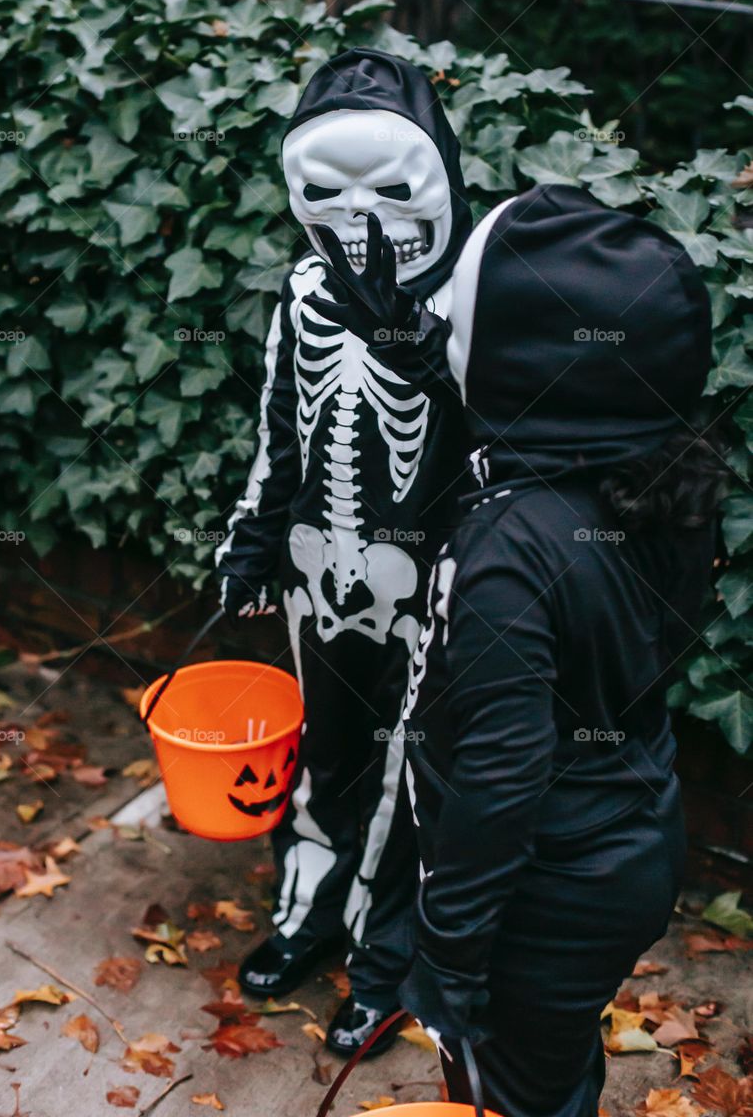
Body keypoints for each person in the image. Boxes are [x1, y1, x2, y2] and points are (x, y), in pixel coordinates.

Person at [311, 183, 720, 1114]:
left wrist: (445, 959)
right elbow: (529, 441)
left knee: (512, 1094)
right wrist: (416, 356)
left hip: (537, 899)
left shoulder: (506, 555)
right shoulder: (648, 470)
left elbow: (503, 771)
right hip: (624, 840)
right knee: (554, 1060)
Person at [215, 48, 476, 1055]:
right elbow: (281, 429)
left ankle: (383, 961)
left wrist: (430, 360)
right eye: (327, 189)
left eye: (390, 185)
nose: (362, 215)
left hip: (434, 592)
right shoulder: (305, 289)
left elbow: (520, 445)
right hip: (319, 571)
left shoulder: (471, 291)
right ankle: (309, 912)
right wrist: (252, 540)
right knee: (330, 760)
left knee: (411, 776)